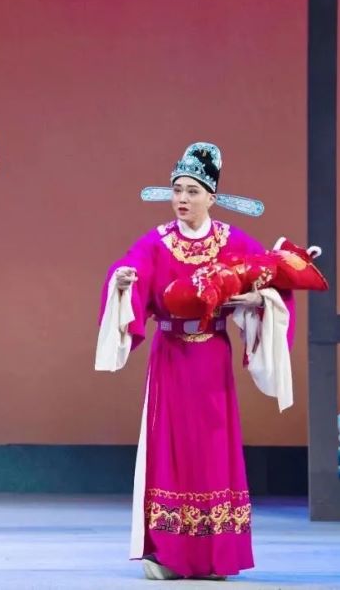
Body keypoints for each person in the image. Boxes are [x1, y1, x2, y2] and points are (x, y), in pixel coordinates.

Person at [95, 143, 294, 580]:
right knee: (170, 448)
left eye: (192, 191)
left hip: (212, 357)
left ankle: (215, 555)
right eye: (177, 190)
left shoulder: (233, 241)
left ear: (211, 197)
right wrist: (122, 281)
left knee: (213, 448)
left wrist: (258, 299)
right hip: (171, 356)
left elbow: (272, 277)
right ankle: (167, 554)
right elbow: (131, 267)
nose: (182, 199)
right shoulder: (156, 241)